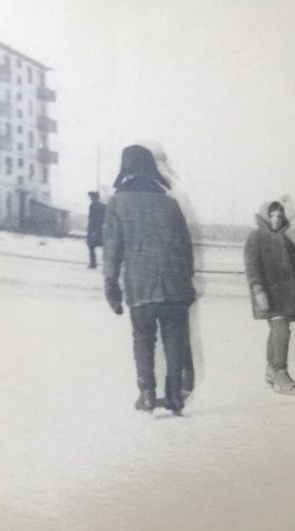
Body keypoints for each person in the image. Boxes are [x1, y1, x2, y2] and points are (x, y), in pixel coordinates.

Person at [103, 144, 196, 415]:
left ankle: (146, 394)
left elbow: (112, 248)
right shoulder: (170, 203)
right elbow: (186, 247)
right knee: (175, 338)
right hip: (176, 285)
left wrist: (111, 285)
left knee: (143, 338)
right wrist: (185, 278)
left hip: (140, 284)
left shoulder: (118, 202)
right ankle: (175, 397)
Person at [244, 200, 295, 394]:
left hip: (287, 296)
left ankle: (271, 370)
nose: (276, 219)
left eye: (279, 216)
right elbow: (251, 265)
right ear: (264, 217)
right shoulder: (256, 237)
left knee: (277, 331)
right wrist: (258, 289)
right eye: (271, 215)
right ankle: (280, 370)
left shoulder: (287, 241)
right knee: (281, 330)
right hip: (269, 294)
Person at [86, 191, 105, 269]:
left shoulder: (94, 206)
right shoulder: (102, 206)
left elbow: (94, 218)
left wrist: (94, 230)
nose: (90, 198)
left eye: (91, 197)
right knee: (103, 246)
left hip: (94, 228)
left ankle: (93, 263)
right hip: (100, 229)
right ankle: (96, 263)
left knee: (91, 246)